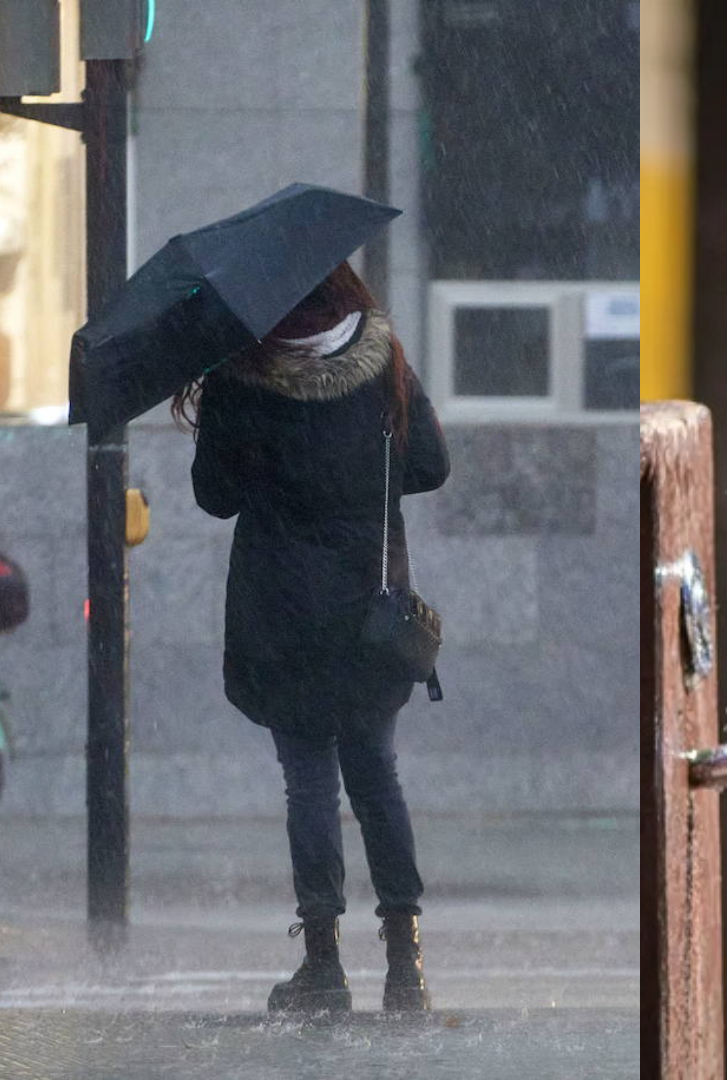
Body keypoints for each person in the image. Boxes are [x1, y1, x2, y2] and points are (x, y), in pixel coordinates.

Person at [174, 262, 450, 1014]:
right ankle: (406, 966)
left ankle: (324, 966)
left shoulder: (243, 375)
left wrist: (226, 411)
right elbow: (430, 463)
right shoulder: (382, 357)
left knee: (309, 783)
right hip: (370, 610)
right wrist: (361, 477)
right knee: (377, 777)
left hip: (282, 612)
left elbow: (214, 496)